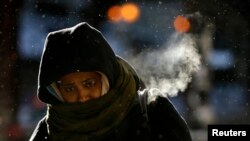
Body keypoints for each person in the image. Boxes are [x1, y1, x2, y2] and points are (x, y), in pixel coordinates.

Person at [30, 22, 192, 141]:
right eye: (70, 89)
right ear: (56, 92)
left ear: (107, 79)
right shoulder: (48, 132)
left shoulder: (152, 114)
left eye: (89, 84)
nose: (82, 96)